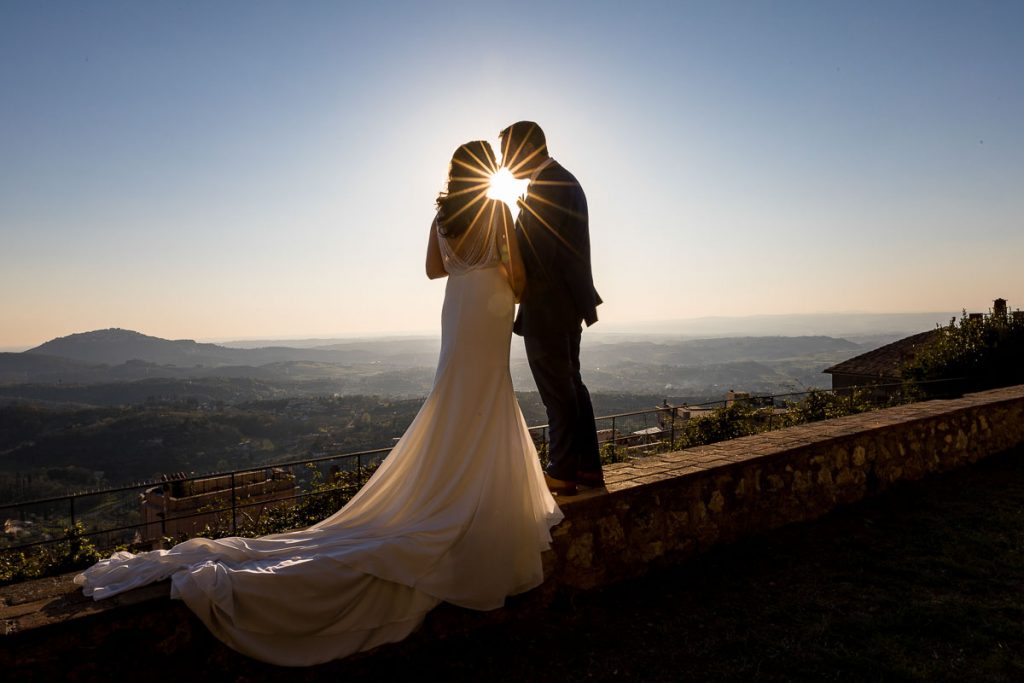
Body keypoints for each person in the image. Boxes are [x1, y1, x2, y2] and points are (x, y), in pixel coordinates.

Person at [74, 140, 563, 666]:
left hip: (458, 306)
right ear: (487, 170)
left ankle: (455, 490)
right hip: (487, 308)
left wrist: (465, 264)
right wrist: (510, 280)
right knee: (489, 394)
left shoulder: (443, 215)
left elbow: (432, 271)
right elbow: (517, 278)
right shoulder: (498, 209)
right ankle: (477, 501)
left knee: (456, 395)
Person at [499, 121, 603, 496]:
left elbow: (537, 255)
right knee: (572, 385)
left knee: (557, 389)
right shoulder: (558, 182)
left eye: (507, 154)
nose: (504, 164)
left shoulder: (551, 186)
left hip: (549, 304)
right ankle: (588, 467)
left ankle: (562, 471)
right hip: (564, 303)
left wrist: (502, 260)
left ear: (526, 149)